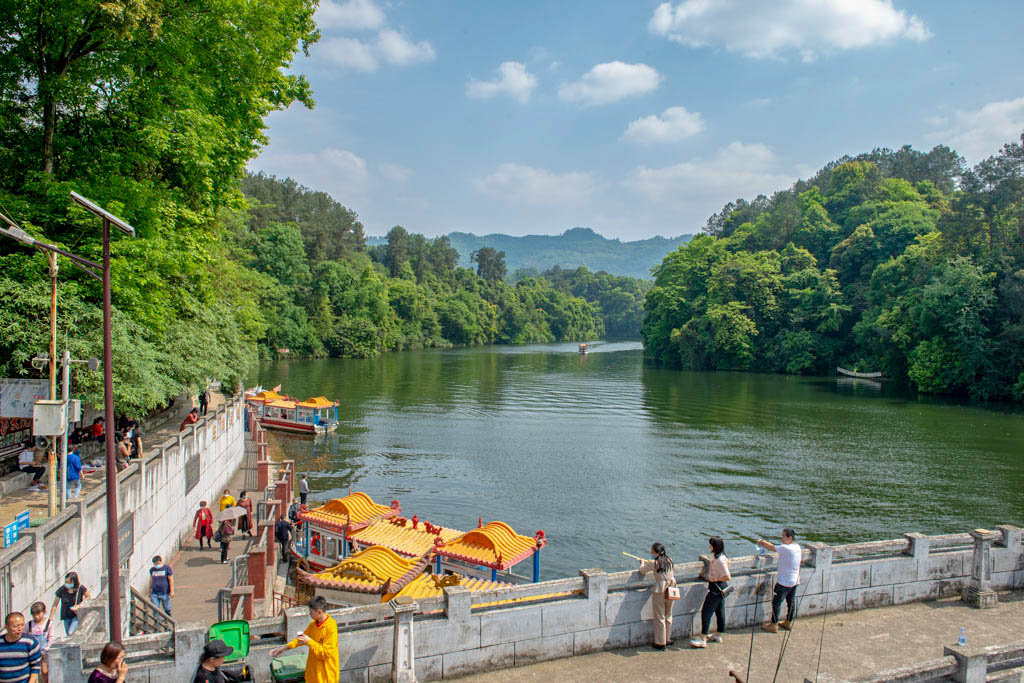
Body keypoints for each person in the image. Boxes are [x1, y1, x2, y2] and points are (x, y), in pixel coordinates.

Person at [269, 595, 339, 683]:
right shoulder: (313, 625)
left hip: (325, 676)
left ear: (319, 612)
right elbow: (300, 639)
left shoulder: (330, 628)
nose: (310, 614)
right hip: (313, 674)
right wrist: (284, 648)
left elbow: (326, 654)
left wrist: (309, 642)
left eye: (311, 612)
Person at [690, 536, 731, 648]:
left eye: (711, 544)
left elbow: (727, 576)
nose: (709, 546)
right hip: (721, 588)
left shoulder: (719, 559)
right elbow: (728, 564)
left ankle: (703, 638)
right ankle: (718, 634)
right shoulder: (723, 557)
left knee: (706, 612)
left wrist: (715, 578)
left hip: (716, 589)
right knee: (720, 611)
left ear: (715, 546)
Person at [759, 528, 802, 632]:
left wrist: (762, 542)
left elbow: (771, 547)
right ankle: (789, 622)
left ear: (790, 538)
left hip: (784, 582)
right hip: (794, 581)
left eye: (783, 536)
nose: (782, 538)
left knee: (776, 603)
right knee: (791, 602)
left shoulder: (785, 548)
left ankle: (774, 624)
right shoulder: (797, 547)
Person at [638, 542, 676, 650]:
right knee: (668, 614)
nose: (650, 552)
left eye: (652, 551)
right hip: (671, 588)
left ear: (655, 552)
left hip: (660, 590)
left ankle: (660, 643)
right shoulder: (670, 560)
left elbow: (641, 571)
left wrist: (642, 563)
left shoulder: (654, 563)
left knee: (659, 616)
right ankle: (668, 639)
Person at [0, 612, 42, 683]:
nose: (20, 628)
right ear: (6, 627)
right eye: (15, 626)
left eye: (22, 625)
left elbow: (35, 665)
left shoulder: (30, 642)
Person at [50, 572, 89, 636]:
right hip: (66, 616)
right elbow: (55, 604)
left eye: (69, 583)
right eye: (66, 582)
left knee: (70, 632)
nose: (67, 584)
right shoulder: (62, 589)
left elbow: (88, 597)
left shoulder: (81, 588)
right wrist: (51, 618)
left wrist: (79, 605)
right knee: (68, 635)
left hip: (76, 614)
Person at [26, 601, 53, 682]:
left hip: (43, 652)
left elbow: (51, 638)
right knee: (33, 672)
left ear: (44, 612)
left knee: (44, 671)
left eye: (38, 614)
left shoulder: (48, 624)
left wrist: (46, 650)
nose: (36, 617)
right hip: (32, 652)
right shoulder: (29, 624)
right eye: (34, 615)